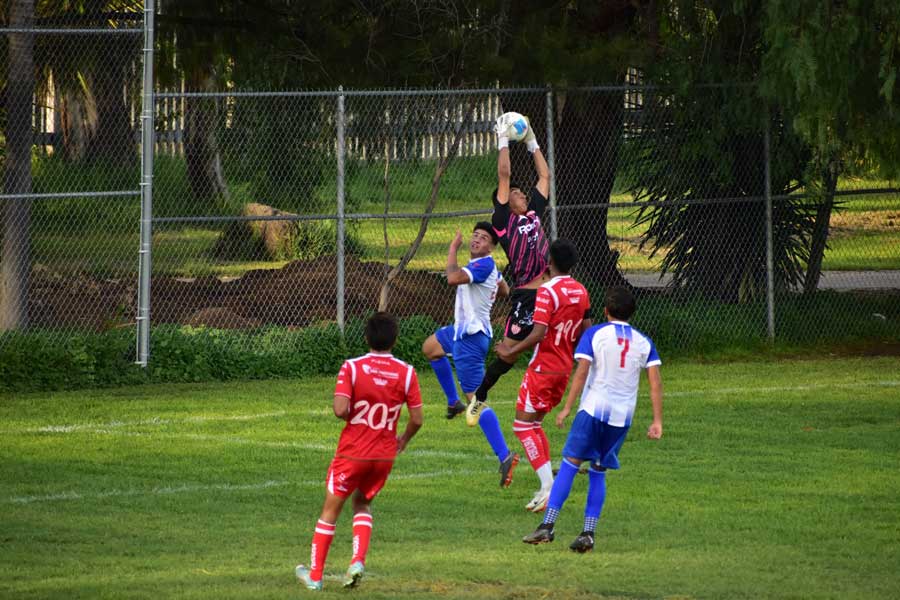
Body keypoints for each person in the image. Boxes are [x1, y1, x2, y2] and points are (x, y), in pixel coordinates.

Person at [522, 285, 663, 553]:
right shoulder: (644, 342)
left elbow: (582, 372)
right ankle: (588, 533)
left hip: (594, 410)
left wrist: (566, 408)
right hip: (621, 419)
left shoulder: (595, 334)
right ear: (632, 313)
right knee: (598, 472)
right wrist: (657, 421)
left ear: (606, 311)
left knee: (570, 464)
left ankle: (547, 527)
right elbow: (655, 382)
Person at [295, 312, 423, 591]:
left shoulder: (351, 368)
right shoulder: (407, 372)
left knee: (330, 511)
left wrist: (357, 416)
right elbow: (417, 419)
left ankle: (315, 577)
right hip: (383, 456)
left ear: (366, 337)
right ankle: (356, 561)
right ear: (395, 340)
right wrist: (403, 439)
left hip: (352, 453)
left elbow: (340, 409)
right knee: (362, 504)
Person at [466, 112, 552, 490]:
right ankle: (480, 395)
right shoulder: (503, 222)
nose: (520, 192)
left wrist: (532, 142)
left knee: (560, 347)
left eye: (521, 191)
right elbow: (503, 176)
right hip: (524, 295)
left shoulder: (533, 211)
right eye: (515, 192)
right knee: (508, 353)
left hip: (548, 290)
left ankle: (549, 426)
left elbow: (545, 177)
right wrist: (503, 139)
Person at [494, 239, 591, 510]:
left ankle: (548, 487)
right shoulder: (581, 291)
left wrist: (510, 350)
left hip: (543, 367)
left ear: (549, 262)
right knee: (534, 425)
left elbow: (539, 333)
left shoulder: (547, 291)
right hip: (563, 368)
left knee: (522, 426)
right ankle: (548, 485)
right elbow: (586, 330)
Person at [421, 223, 519, 481]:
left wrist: (452, 248)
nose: (476, 240)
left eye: (484, 238)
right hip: (460, 332)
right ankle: (453, 403)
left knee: (476, 399)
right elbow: (505, 289)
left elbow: (452, 278)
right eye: (475, 236)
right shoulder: (488, 267)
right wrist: (490, 295)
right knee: (431, 348)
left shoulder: (484, 265)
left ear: (491, 247)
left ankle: (505, 455)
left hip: (471, 339)